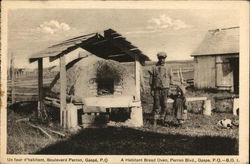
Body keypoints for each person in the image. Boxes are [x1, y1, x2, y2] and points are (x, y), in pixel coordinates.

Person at [149, 51, 173, 126]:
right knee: (156, 105)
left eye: (163, 58)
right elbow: (151, 80)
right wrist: (152, 89)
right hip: (156, 89)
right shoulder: (154, 67)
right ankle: (155, 121)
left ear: (165, 59)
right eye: (160, 58)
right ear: (158, 58)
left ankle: (162, 120)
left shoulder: (168, 68)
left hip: (165, 89)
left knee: (164, 105)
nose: (162, 60)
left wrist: (170, 89)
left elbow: (171, 79)